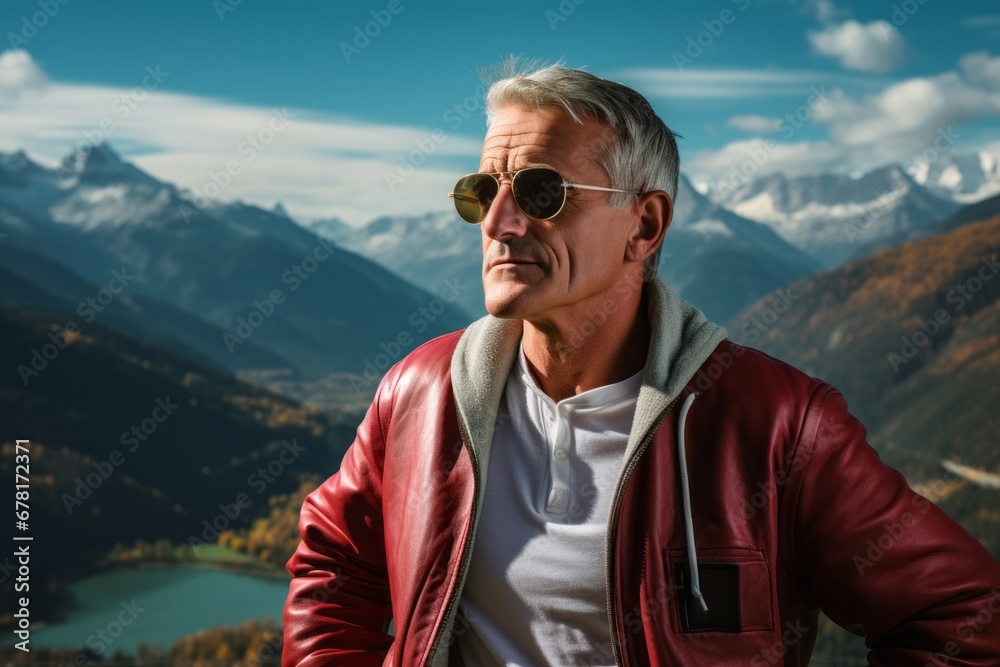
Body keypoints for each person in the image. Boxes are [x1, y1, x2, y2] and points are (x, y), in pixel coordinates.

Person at [282, 61, 1000, 666]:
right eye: (482, 192)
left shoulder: (780, 423)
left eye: (539, 191)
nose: (500, 221)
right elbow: (333, 566)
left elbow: (965, 616)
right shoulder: (419, 393)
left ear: (645, 225)